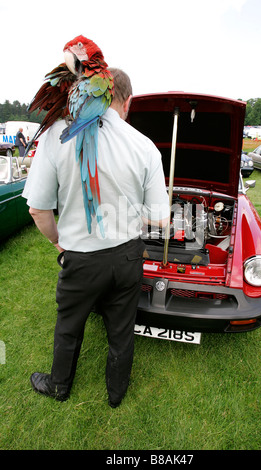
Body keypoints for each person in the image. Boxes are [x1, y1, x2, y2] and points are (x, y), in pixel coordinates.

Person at [22, 68, 170, 407]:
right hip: (129, 255)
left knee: (69, 324)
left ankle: (59, 386)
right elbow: (160, 219)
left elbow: (38, 210)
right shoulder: (145, 145)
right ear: (127, 101)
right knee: (121, 329)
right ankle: (116, 395)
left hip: (82, 259)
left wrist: (57, 241)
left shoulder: (59, 132)